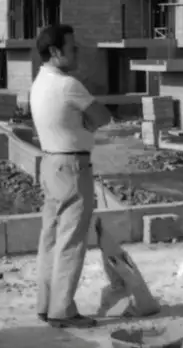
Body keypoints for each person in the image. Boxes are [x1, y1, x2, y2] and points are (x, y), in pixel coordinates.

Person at [30, 24, 112, 328]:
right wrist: (87, 127)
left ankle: (45, 304)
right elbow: (103, 116)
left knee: (50, 239)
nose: (76, 52)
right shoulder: (68, 85)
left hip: (50, 163)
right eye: (72, 48)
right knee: (70, 241)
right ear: (55, 52)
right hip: (72, 167)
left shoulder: (39, 82)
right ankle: (62, 310)